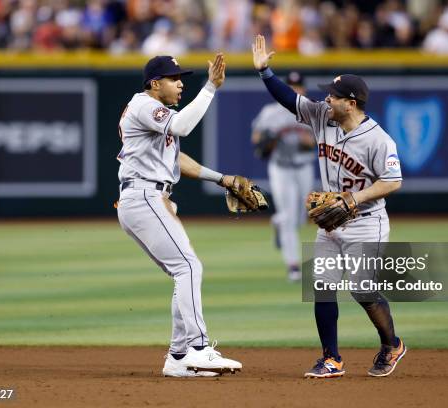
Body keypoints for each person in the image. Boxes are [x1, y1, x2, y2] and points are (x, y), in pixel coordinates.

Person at [252, 34, 407, 378]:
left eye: (334, 95)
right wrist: (265, 73)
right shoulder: (323, 116)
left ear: (350, 103)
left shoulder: (379, 139)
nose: (326, 98)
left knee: (362, 290)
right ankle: (331, 358)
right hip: (332, 223)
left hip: (367, 220)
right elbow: (289, 100)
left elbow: (393, 181)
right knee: (321, 284)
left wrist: (355, 197)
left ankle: (392, 344)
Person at [115, 54, 244, 377]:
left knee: (183, 270)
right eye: (174, 79)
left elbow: (177, 159)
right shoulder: (144, 105)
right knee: (188, 267)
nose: (181, 83)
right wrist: (211, 87)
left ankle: (177, 357)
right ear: (155, 84)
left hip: (149, 196)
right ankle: (199, 348)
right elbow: (184, 126)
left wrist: (222, 179)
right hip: (143, 195)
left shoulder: (157, 114)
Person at [251, 71, 316, 282]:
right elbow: (257, 138)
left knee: (299, 219)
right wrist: (266, 140)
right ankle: (293, 265)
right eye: (290, 86)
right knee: (289, 218)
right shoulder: (271, 112)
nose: (295, 90)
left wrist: (312, 142)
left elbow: (323, 140)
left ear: (304, 89)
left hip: (304, 166)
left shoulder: (311, 111)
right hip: (280, 168)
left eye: (298, 86)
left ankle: (278, 222)